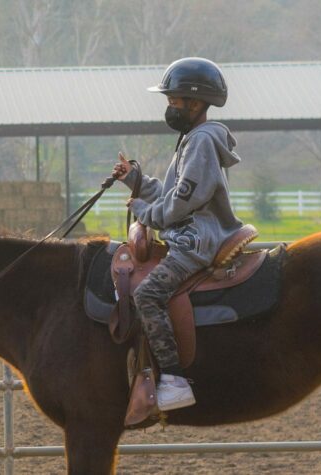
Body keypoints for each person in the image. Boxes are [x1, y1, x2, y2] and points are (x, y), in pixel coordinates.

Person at [112, 57, 244, 411]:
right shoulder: (193, 139)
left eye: (174, 101)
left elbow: (181, 204)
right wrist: (136, 180)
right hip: (188, 233)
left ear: (196, 103)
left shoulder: (200, 142)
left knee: (148, 294)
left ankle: (172, 378)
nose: (169, 108)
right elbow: (175, 192)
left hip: (195, 241)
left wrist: (144, 212)